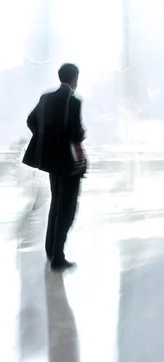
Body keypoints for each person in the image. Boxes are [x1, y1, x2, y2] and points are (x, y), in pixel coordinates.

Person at [22, 63, 86, 270]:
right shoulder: (74, 101)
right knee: (67, 209)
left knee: (56, 204)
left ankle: (52, 252)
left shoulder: (46, 98)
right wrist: (81, 133)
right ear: (74, 78)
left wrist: (47, 139)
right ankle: (58, 257)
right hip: (68, 163)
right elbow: (76, 134)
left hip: (52, 161)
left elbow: (31, 120)